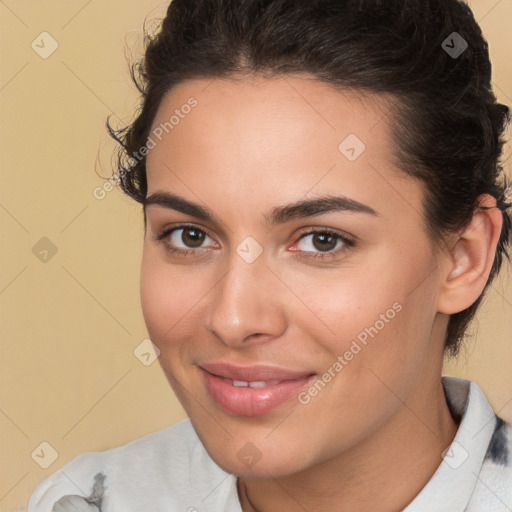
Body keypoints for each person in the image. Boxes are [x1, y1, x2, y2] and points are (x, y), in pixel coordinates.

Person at [28, 0, 512, 510]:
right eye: (190, 236)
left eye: (321, 240)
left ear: (463, 256)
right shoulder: (86, 500)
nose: (233, 319)